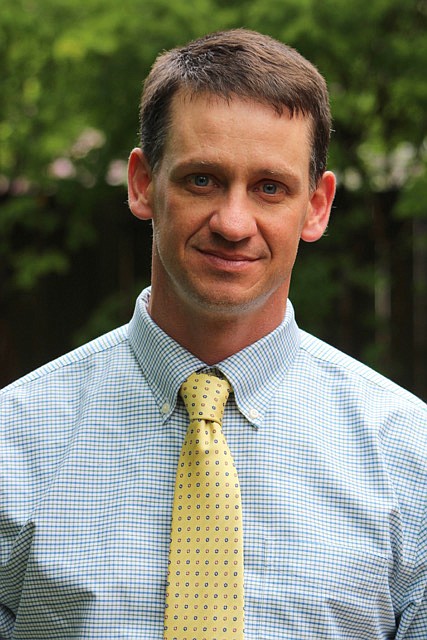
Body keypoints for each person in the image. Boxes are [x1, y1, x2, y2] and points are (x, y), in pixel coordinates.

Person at [0, 28, 426, 640]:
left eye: (270, 188)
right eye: (202, 179)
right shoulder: (13, 444)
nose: (233, 222)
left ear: (316, 206)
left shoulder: (411, 459)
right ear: (143, 184)